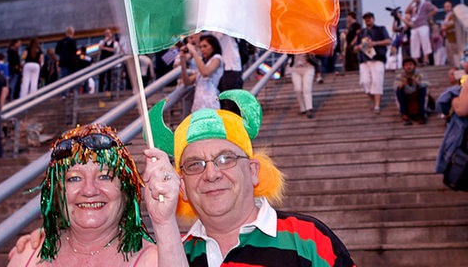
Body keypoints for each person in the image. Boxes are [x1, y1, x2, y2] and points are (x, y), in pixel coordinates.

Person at [146, 89, 355, 266]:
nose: (211, 174)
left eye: (226, 159)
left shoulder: (308, 239)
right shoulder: (173, 255)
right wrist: (164, 224)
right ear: (181, 185)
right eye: (195, 165)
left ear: (253, 171)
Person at [7, 123, 183, 266]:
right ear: (58, 191)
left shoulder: (155, 261)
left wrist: (164, 222)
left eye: (105, 176)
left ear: (125, 190)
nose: (89, 190)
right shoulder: (26, 257)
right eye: (74, 178)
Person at [355, 12, 392, 114]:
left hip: (378, 58)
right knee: (365, 82)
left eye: (369, 18)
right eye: (365, 18)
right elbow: (355, 48)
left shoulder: (381, 29)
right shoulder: (361, 32)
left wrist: (375, 43)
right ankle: (375, 100)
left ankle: (377, 105)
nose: (367, 20)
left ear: (373, 19)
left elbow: (389, 41)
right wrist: (359, 47)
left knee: (377, 81)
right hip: (364, 60)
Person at [179, 34, 224, 112]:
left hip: (211, 104)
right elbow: (187, 82)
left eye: (205, 46)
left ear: (213, 46)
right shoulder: (203, 65)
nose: (202, 49)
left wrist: (194, 53)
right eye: (200, 47)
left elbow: (205, 72)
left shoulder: (217, 59)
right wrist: (183, 63)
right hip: (198, 104)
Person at [404, 0, 438, 65]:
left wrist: (427, 16)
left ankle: (426, 59)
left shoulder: (426, 4)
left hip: (423, 25)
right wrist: (412, 2)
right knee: (414, 43)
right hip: (414, 27)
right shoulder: (413, 7)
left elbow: (435, 10)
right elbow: (406, 11)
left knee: (425, 41)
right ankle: (415, 60)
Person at [394, 57, 429, 125]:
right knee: (399, 91)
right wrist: (403, 84)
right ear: (403, 67)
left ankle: (422, 114)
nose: (408, 67)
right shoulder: (400, 76)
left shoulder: (420, 74)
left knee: (423, 89)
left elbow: (426, 84)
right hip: (406, 96)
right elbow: (395, 87)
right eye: (406, 65)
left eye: (410, 64)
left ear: (414, 66)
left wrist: (417, 83)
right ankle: (404, 115)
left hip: (418, 95)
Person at [288, 53, 318, 118]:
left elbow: (316, 56)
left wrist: (309, 54)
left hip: (308, 68)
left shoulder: (309, 46)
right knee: (298, 89)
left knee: (307, 89)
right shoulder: (292, 46)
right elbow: (288, 55)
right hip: (295, 69)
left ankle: (309, 109)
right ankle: (302, 108)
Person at [55, 26, 78, 98]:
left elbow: (56, 51)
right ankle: (72, 92)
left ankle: (64, 94)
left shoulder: (61, 41)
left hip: (63, 62)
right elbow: (75, 50)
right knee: (72, 78)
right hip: (72, 62)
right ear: (72, 33)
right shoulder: (73, 41)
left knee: (64, 78)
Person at [98, 28, 120, 92]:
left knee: (109, 75)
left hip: (110, 61)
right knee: (101, 76)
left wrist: (104, 48)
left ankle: (109, 89)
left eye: (109, 33)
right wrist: (104, 41)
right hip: (102, 61)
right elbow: (99, 48)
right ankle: (100, 90)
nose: (107, 35)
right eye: (106, 33)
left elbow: (114, 50)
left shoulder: (115, 43)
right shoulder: (102, 41)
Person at [441, 1, 462, 68]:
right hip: (447, 36)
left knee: (455, 53)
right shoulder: (446, 16)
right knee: (449, 54)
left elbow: (453, 23)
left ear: (451, 7)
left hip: (454, 37)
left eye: (448, 6)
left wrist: (445, 27)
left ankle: (457, 67)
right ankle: (452, 67)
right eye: (445, 7)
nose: (446, 8)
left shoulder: (454, 15)